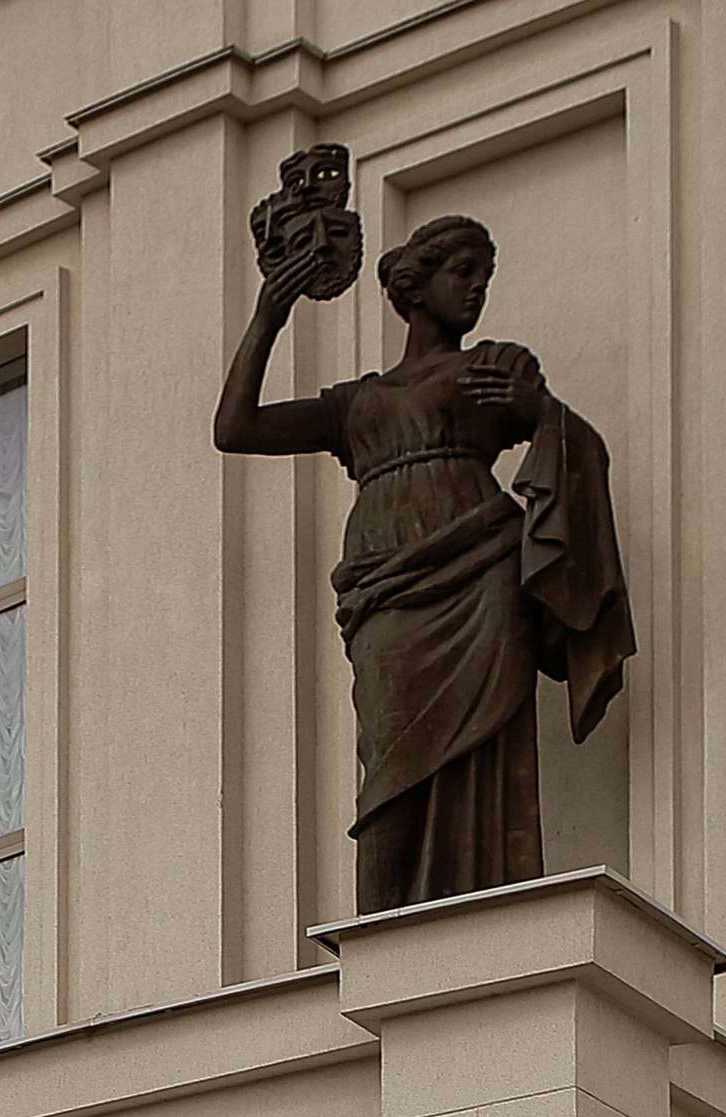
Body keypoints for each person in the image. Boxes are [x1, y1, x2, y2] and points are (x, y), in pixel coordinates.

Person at [213, 210, 631, 912]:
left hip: (484, 571)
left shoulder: (496, 366)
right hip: (389, 590)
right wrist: (269, 314)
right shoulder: (357, 404)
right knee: (389, 758)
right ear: (416, 282)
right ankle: (382, 934)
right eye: (462, 272)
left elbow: (571, 447)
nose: (477, 290)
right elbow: (236, 427)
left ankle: (488, 915)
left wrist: (542, 412)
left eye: (485, 276)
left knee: (487, 743)